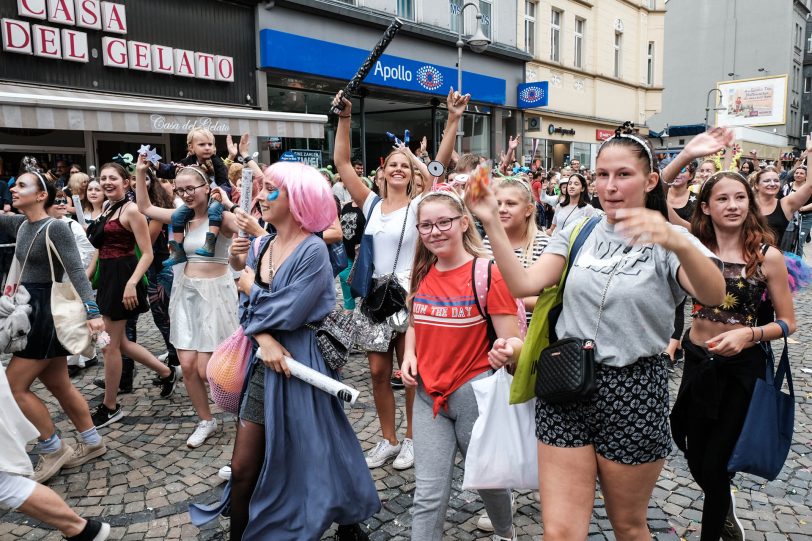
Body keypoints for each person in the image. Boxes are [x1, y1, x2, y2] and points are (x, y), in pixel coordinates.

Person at [466, 126, 725, 540]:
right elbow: (523, 285)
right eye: (602, 175)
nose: (610, 185)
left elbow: (714, 293)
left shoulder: (672, 239)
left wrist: (677, 244)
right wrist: (489, 222)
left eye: (623, 175)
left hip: (634, 388)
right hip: (567, 382)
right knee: (561, 532)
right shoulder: (578, 230)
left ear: (650, 181)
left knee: (628, 526)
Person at [215, 161, 380, 540]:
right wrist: (266, 339)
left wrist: (248, 286)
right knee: (242, 469)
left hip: (303, 362)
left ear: (298, 199)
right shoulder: (264, 244)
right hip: (265, 361)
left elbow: (287, 312)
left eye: (271, 189)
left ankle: (346, 516)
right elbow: (248, 313)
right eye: (262, 187)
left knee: (316, 449)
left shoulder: (313, 251)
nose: (259, 195)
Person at [333, 88, 465, 470]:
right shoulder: (370, 203)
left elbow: (438, 169)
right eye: (392, 164)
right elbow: (341, 161)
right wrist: (344, 118)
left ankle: (412, 439)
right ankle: (387, 439)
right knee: (376, 371)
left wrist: (452, 119)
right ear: (381, 172)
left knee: (409, 373)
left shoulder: (422, 205)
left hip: (412, 296)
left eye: (405, 165)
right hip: (375, 296)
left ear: (412, 174)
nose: (398, 169)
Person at [670, 171, 796, 541]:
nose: (733, 205)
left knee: (716, 463)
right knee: (689, 446)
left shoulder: (766, 257)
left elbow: (789, 323)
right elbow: (657, 193)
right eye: (722, 199)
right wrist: (688, 157)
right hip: (698, 362)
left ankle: (716, 530)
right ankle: (722, 502)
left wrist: (749, 334)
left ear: (750, 203)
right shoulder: (693, 247)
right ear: (705, 207)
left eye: (740, 197)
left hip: (743, 371)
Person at [400, 190, 521, 541]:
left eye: (444, 222)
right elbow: (414, 322)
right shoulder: (421, 272)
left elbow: (515, 341)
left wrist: (505, 351)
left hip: (474, 396)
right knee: (427, 494)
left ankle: (505, 532)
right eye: (426, 225)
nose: (435, 231)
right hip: (427, 396)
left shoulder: (487, 273)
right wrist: (410, 355)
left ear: (464, 222)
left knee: (488, 480)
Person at [0, 162, 107, 483]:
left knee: (14, 386)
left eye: (21, 185)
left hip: (47, 312)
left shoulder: (56, 227)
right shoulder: (22, 225)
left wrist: (93, 312)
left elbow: (76, 270)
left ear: (41, 194)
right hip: (31, 309)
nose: (13, 189)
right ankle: (91, 442)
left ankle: (52, 446)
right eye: (13, 185)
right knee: (58, 383)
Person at [135, 153, 240, 447]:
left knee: (210, 370)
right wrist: (141, 172)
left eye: (191, 188)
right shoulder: (182, 217)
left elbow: (247, 231)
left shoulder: (223, 217)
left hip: (216, 295)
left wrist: (230, 204)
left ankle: (248, 409)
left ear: (206, 187)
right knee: (188, 365)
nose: (185, 194)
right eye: (180, 190)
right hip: (184, 293)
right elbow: (145, 207)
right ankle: (205, 420)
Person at [88, 162, 178, 428]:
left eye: (112, 178)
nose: (106, 182)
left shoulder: (132, 211)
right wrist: (87, 276)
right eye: (103, 178)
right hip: (108, 277)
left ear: (126, 183)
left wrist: (131, 283)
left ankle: (110, 406)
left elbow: (148, 252)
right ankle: (166, 371)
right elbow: (99, 249)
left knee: (109, 346)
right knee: (121, 343)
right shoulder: (107, 208)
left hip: (124, 278)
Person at [0, 363, 110, 541]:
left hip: (38, 337)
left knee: (17, 388)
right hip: (49, 336)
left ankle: (80, 529)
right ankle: (90, 441)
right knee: (59, 383)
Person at [483, 177, 549, 324]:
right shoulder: (488, 240)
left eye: (511, 204)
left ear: (528, 210)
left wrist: (502, 299)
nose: (502, 209)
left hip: (530, 335)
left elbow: (549, 301)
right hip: (493, 333)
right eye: (498, 203)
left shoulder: (544, 245)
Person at [47, 190, 98, 377]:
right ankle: (84, 355)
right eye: (56, 201)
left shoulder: (71, 225)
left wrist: (79, 272)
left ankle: (74, 358)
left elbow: (88, 251)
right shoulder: (44, 224)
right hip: (53, 279)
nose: (61, 204)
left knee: (74, 316)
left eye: (63, 201)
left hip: (72, 277)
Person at [159, 127, 228, 265]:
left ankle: (210, 243)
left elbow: (225, 183)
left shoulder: (217, 162)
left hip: (215, 198)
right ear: (191, 147)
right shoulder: (187, 162)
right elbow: (171, 171)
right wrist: (155, 165)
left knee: (214, 210)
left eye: (210, 144)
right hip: (196, 203)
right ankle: (177, 250)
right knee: (177, 216)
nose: (207, 148)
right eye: (202, 144)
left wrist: (220, 194)